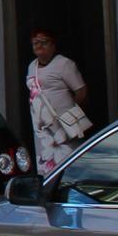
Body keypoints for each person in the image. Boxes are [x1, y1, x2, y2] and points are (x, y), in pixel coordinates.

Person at [24, 29, 90, 177]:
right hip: (42, 130)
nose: (39, 46)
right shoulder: (31, 66)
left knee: (68, 163)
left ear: (53, 45)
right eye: (35, 43)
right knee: (46, 163)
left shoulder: (64, 64)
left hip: (63, 126)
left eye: (44, 42)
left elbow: (81, 91)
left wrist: (71, 114)